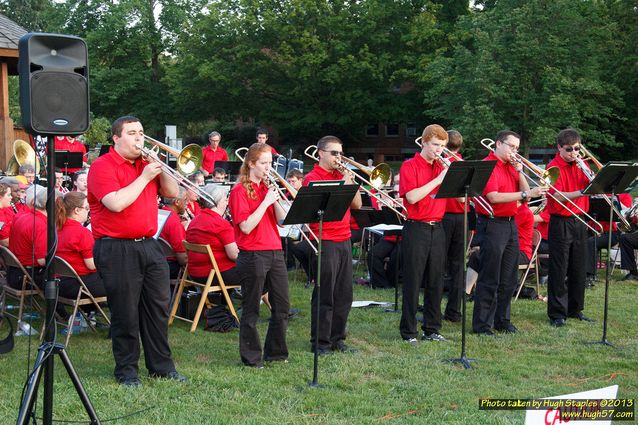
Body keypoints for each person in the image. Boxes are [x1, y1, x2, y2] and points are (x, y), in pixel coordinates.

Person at [87, 115, 185, 386]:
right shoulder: (101, 167)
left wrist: (161, 167)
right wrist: (144, 177)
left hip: (149, 244)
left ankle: (162, 367)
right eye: (132, 133)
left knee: (157, 310)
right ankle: (127, 371)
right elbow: (116, 203)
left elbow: (172, 192)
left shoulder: (146, 164)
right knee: (126, 313)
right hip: (116, 247)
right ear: (116, 138)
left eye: (141, 132)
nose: (139, 138)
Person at [472, 131, 545, 336]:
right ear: (498, 144)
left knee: (509, 278)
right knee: (490, 276)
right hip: (492, 223)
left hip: (511, 223)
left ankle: (502, 320)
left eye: (517, 148)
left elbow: (525, 199)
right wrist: (525, 193)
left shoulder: (511, 167)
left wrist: (520, 171)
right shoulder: (488, 165)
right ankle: (482, 325)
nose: (515, 151)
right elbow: (493, 197)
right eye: (511, 146)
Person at [229, 143, 289, 368]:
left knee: (282, 305)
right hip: (253, 253)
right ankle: (252, 357)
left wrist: (277, 200)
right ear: (251, 164)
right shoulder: (239, 191)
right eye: (263, 163)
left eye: (270, 164)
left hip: (274, 250)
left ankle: (276, 353)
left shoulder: (267, 187)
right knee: (252, 307)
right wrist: (265, 203)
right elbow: (245, 227)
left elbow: (282, 221)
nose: (268, 168)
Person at [304, 135, 362, 354]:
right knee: (325, 292)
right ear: (320, 153)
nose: (339, 157)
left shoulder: (343, 175)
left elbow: (356, 204)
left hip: (344, 238)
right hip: (325, 239)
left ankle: (338, 338)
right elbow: (323, 212)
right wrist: (343, 185)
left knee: (344, 293)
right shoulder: (312, 178)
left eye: (340, 153)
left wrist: (351, 181)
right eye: (334, 153)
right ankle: (320, 341)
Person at [399, 125, 449, 344]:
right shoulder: (410, 165)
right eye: (436, 145)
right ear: (424, 142)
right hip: (416, 227)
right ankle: (409, 331)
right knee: (413, 280)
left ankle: (432, 328)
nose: (439, 150)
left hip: (438, 227)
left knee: (436, 281)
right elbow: (412, 197)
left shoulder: (442, 166)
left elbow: (457, 198)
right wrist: (439, 180)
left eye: (442, 146)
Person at [546, 129, 596, 327]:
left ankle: (576, 308)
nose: (573, 153)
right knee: (559, 268)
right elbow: (555, 196)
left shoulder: (580, 164)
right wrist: (581, 191)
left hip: (579, 219)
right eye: (569, 149)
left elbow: (593, 185)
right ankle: (557, 313)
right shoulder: (552, 168)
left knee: (578, 266)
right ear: (559, 148)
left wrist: (590, 176)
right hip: (561, 221)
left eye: (577, 148)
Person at [55, 192, 106, 306]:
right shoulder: (82, 233)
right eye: (87, 208)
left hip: (58, 284)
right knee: (123, 283)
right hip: (78, 287)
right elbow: (92, 265)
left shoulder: (57, 229)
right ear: (77, 210)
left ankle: (88, 314)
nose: (88, 211)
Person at [441, 130, 466, 322]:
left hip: (444, 217)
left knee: (438, 264)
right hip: (461, 218)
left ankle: (433, 308)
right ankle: (454, 310)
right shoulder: (463, 163)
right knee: (458, 266)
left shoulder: (446, 164)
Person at [585, 193, 632, 286]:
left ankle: (590, 275)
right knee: (578, 240)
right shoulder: (595, 194)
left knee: (591, 242)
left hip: (612, 233)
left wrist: (614, 201)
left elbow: (626, 214)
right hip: (592, 229)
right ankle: (573, 272)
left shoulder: (624, 195)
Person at [7, 185, 48, 290]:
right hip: (27, 277)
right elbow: (42, 261)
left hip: (14, 273)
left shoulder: (21, 216)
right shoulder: (39, 224)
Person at [159, 187, 188, 279]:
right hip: (171, 267)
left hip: (157, 262)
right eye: (185, 199)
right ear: (177, 202)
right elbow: (182, 259)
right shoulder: (174, 223)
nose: (187, 203)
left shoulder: (159, 213)